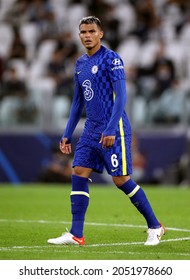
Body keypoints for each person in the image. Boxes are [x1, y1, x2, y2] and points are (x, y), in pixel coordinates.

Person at [47, 16, 165, 246]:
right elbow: (77, 103)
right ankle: (76, 234)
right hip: (91, 128)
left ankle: (155, 226)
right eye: (83, 32)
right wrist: (67, 133)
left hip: (115, 126)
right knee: (79, 171)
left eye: (91, 31)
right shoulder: (80, 64)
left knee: (121, 179)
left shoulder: (112, 59)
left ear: (100, 33)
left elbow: (121, 97)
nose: (87, 35)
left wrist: (111, 128)